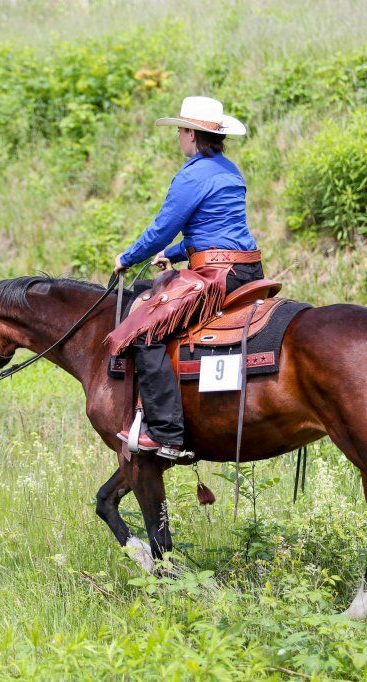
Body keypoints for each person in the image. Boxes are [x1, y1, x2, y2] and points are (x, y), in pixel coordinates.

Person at [108, 96, 265, 461]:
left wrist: (128, 258)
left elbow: (162, 229)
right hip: (247, 268)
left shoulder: (192, 175)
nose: (178, 136)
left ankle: (165, 432)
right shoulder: (229, 169)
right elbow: (215, 228)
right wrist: (176, 255)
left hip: (217, 275)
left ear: (193, 134)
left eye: (181, 130)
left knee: (145, 329)